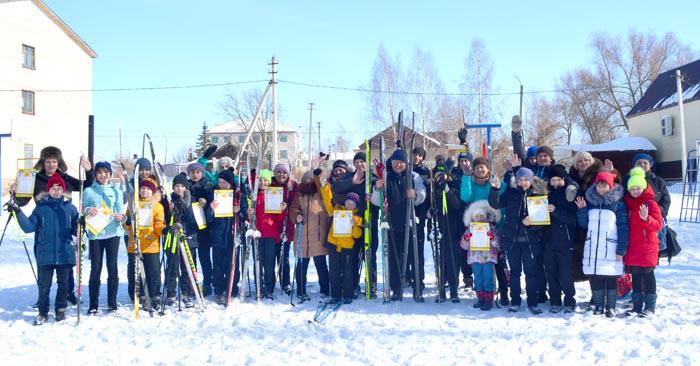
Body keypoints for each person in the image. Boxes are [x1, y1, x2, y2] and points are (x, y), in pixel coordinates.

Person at [10, 146, 93, 306]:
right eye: (48, 161)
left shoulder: (65, 179)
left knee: (66, 267)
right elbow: (22, 201)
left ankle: (69, 294)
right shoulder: (34, 179)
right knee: (44, 267)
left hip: (63, 227)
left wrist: (88, 170)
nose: (51, 165)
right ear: (43, 162)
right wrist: (16, 192)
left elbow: (86, 186)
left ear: (58, 162)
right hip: (42, 227)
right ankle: (43, 299)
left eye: (54, 161)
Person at [11, 174, 79, 325]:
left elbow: (76, 231)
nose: (56, 191)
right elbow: (29, 227)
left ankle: (60, 309)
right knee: (44, 286)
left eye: (59, 188)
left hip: (64, 253)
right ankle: (43, 312)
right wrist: (17, 211)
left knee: (64, 284)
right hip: (45, 254)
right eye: (53, 188)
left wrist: (81, 223)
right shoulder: (41, 208)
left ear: (63, 190)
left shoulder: (70, 208)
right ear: (49, 190)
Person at [489, 164, 547, 314]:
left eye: (525, 179)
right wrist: (495, 189)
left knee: (531, 273)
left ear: (530, 180)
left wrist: (532, 221)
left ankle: (533, 302)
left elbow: (542, 221)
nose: (522, 182)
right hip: (513, 240)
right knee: (515, 273)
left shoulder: (537, 194)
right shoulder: (511, 193)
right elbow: (495, 204)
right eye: (520, 179)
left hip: (530, 242)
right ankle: (515, 301)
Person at [371, 149, 426, 301]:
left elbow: (422, 195)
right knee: (393, 259)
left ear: (405, 163)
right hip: (391, 223)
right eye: (396, 162)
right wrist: (377, 189)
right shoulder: (385, 177)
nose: (398, 165)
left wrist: (415, 195)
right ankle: (396, 288)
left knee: (414, 256)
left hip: (410, 224)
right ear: (392, 162)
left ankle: (417, 287)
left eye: (401, 163)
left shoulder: (413, 177)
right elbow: (376, 201)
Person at [575, 171, 629, 318]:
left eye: (604, 184)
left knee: (610, 277)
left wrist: (621, 249)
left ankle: (610, 307)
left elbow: (624, 227)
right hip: (593, 247)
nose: (601, 187)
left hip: (611, 248)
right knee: (596, 277)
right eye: (599, 184)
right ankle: (598, 305)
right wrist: (581, 210)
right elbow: (584, 224)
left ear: (610, 186)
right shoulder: (590, 202)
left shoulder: (618, 204)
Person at [460, 155, 510, 305]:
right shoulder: (470, 182)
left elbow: (505, 199)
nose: (480, 169)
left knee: (499, 263)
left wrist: (502, 222)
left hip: (495, 225)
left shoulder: (494, 181)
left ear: (488, 168)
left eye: (482, 167)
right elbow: (465, 196)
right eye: (477, 168)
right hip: (476, 226)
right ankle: (482, 295)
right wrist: (466, 177)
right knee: (480, 268)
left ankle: (503, 293)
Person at [332, 152, 379, 298]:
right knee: (352, 255)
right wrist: (352, 181)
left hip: (369, 221)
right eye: (357, 162)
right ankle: (353, 284)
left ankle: (371, 284)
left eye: (362, 161)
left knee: (369, 254)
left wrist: (373, 195)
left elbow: (380, 199)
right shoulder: (350, 177)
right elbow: (337, 188)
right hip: (351, 224)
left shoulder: (372, 178)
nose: (359, 164)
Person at [82, 161, 126, 314]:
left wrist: (122, 217)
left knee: (112, 267)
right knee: (96, 269)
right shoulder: (88, 191)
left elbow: (121, 212)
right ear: (95, 174)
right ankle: (93, 304)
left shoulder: (116, 191)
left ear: (110, 174)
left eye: (106, 172)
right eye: (99, 172)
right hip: (96, 234)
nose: (103, 175)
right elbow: (84, 210)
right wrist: (89, 210)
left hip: (113, 233)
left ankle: (112, 302)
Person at [316, 167, 363, 305]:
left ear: (355, 205)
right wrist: (325, 186)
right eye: (348, 202)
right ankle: (335, 294)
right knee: (334, 271)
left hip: (347, 247)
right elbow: (327, 201)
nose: (349, 205)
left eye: (352, 203)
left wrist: (354, 224)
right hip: (334, 244)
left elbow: (357, 234)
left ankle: (347, 294)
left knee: (348, 271)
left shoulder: (357, 217)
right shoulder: (336, 210)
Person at [624, 167, 663, 318]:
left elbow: (658, 225)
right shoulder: (628, 205)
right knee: (636, 277)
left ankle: (650, 307)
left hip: (647, 247)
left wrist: (646, 218)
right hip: (633, 247)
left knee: (648, 276)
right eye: (632, 188)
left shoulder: (651, 204)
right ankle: (637, 305)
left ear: (644, 187)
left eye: (638, 188)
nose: (635, 191)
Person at [124, 177, 166, 310]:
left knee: (153, 272)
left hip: (151, 245)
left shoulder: (157, 206)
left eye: (148, 189)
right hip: (135, 244)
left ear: (153, 192)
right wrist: (128, 223)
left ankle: (155, 296)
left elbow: (159, 224)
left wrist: (164, 230)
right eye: (143, 188)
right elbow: (126, 223)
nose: (145, 191)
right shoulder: (133, 204)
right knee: (135, 271)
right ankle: (139, 294)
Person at [289, 170, 330, 300]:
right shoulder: (299, 195)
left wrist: (317, 176)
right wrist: (296, 216)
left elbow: (320, 185)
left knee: (321, 265)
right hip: (302, 236)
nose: (308, 183)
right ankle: (301, 290)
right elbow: (293, 209)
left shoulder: (320, 194)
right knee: (301, 266)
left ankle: (325, 289)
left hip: (318, 236)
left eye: (310, 180)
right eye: (305, 181)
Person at [206, 168, 244, 305]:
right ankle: (219, 289)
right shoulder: (213, 195)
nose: (222, 185)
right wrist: (211, 209)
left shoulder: (239, 195)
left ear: (230, 183)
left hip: (232, 235)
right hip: (217, 235)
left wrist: (239, 211)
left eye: (225, 182)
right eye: (220, 182)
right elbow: (207, 219)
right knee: (218, 265)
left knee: (232, 263)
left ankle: (231, 288)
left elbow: (245, 215)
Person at [247, 169, 287, 299]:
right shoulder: (254, 197)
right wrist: (249, 214)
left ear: (269, 182)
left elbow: (280, 219)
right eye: (260, 180)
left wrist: (282, 210)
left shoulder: (274, 195)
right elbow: (249, 219)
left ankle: (269, 287)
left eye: (265, 180)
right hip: (256, 234)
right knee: (258, 262)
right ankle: (259, 285)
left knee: (269, 262)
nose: (263, 183)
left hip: (270, 233)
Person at [543, 164, 577, 313]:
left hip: (565, 241)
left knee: (565, 274)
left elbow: (572, 218)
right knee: (551, 273)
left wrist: (556, 211)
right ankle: (555, 300)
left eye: (559, 179)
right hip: (548, 241)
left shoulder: (570, 195)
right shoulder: (545, 194)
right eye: (553, 180)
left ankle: (569, 300)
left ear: (564, 179)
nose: (556, 182)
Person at [621, 154, 671, 251]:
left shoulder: (658, 181)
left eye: (645, 162)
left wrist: (659, 211)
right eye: (639, 163)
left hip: (654, 222)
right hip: (633, 221)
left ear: (650, 165)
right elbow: (622, 197)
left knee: (653, 250)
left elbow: (666, 199)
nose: (642, 165)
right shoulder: (626, 179)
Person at [165, 173, 200, 307]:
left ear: (186, 187)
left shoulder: (192, 199)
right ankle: (171, 292)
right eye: (176, 186)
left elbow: (193, 220)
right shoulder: (169, 200)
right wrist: (172, 210)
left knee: (187, 267)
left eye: (182, 186)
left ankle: (187, 292)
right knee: (172, 266)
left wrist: (185, 206)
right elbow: (166, 219)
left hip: (189, 237)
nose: (179, 189)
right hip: (173, 238)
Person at [459, 200, 500, 311]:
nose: (479, 218)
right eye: (476, 216)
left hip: (488, 258)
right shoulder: (469, 230)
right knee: (478, 279)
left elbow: (497, 244)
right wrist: (467, 238)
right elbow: (463, 245)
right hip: (475, 258)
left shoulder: (491, 228)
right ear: (472, 218)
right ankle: (480, 298)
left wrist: (492, 237)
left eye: (481, 216)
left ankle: (488, 299)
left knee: (487, 279)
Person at [187, 162, 214, 296]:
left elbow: (214, 204)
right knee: (191, 257)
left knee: (204, 257)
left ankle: (208, 283)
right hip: (191, 227)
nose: (195, 174)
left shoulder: (208, 186)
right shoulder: (186, 186)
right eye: (193, 172)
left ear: (202, 173)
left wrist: (207, 204)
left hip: (204, 227)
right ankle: (193, 283)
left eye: (198, 172)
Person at [270, 162, 297, 295]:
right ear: (274, 173)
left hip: (286, 228)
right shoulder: (269, 185)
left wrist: (292, 191)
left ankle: (285, 282)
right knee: (270, 258)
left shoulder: (292, 187)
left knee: (284, 257)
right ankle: (269, 282)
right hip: (270, 227)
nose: (282, 174)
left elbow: (297, 204)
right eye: (279, 172)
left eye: (284, 172)